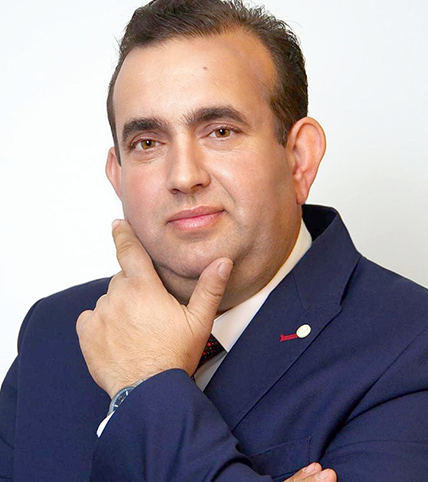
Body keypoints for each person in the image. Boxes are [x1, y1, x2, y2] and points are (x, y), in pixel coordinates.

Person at [1, 0, 427, 480]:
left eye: (220, 131)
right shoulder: (56, 332)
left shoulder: (414, 346)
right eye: (147, 143)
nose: (184, 176)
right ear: (117, 175)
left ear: (298, 158)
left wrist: (145, 385)